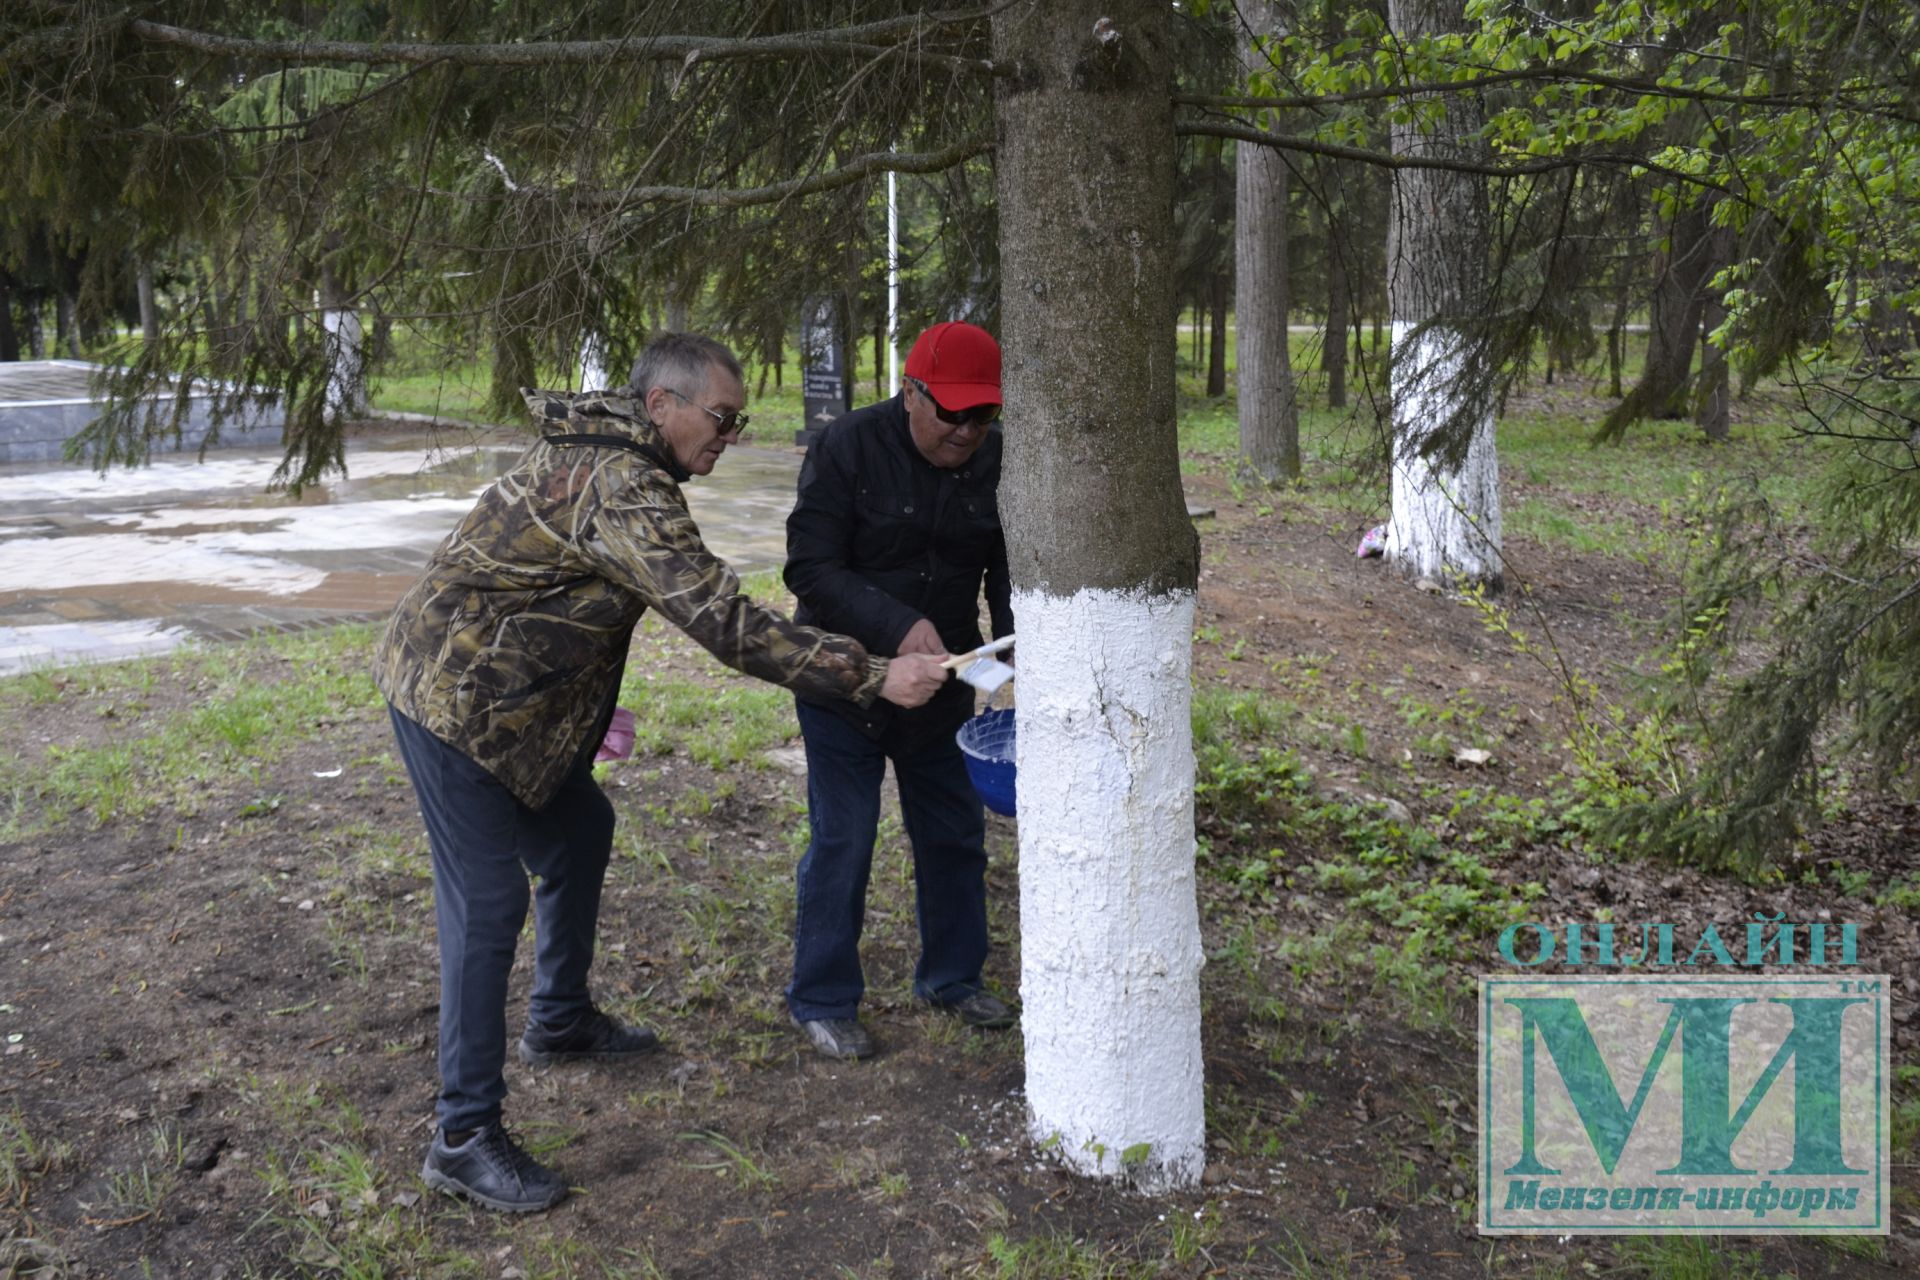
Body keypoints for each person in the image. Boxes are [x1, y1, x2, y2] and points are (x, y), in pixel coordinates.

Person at [374, 333, 950, 1211]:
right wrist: (872, 674)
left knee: (578, 831)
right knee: (487, 904)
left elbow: (547, 589)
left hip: (511, 696)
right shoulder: (624, 481)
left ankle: (559, 1020)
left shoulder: (610, 458)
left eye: (739, 419)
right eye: (721, 418)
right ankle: (461, 1135)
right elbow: (724, 623)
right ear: (661, 407)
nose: (730, 436)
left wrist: (578, 701)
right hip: (455, 702)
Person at [783, 321, 1015, 1060]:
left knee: (954, 834)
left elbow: (1005, 569)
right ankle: (822, 997)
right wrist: (895, 624)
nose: (968, 431)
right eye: (952, 412)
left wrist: (1019, 647)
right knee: (844, 836)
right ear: (911, 393)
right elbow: (809, 568)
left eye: (984, 415)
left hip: (945, 677)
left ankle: (951, 977)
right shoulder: (845, 446)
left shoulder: (996, 462)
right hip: (843, 680)